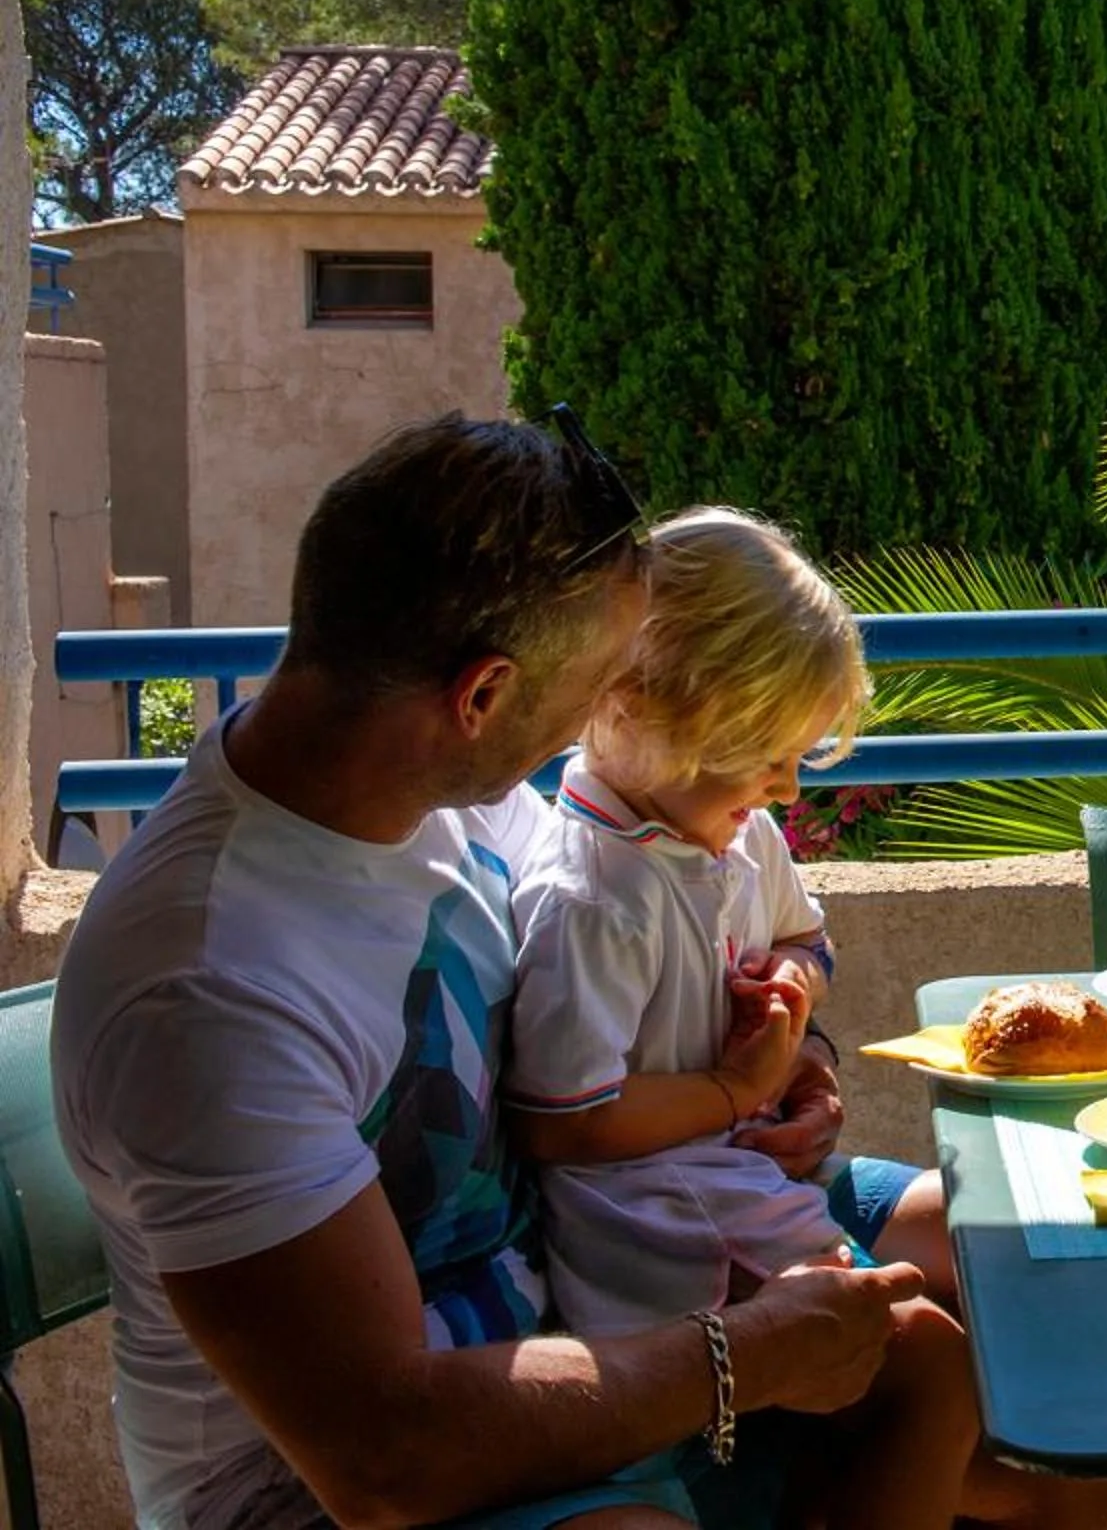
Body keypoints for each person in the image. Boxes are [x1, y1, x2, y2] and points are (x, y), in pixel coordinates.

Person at [50, 414, 919, 1530]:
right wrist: (742, 1357)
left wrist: (795, 1057)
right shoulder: (212, 991)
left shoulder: (458, 800)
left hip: (566, 1288)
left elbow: (649, 999)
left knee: (957, 1367)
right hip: (310, 1485)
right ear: (481, 697)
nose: (614, 709)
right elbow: (381, 1456)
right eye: (603, 680)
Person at [504, 505, 1107, 1529]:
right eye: (760, 754)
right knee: (927, 1351)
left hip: (749, 1167)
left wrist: (799, 1025)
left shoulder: (733, 829)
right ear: (650, 710)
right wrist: (733, 1088)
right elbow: (565, 1119)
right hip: (662, 1228)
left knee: (1034, 1266)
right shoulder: (593, 898)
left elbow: (804, 940)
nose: (787, 785)